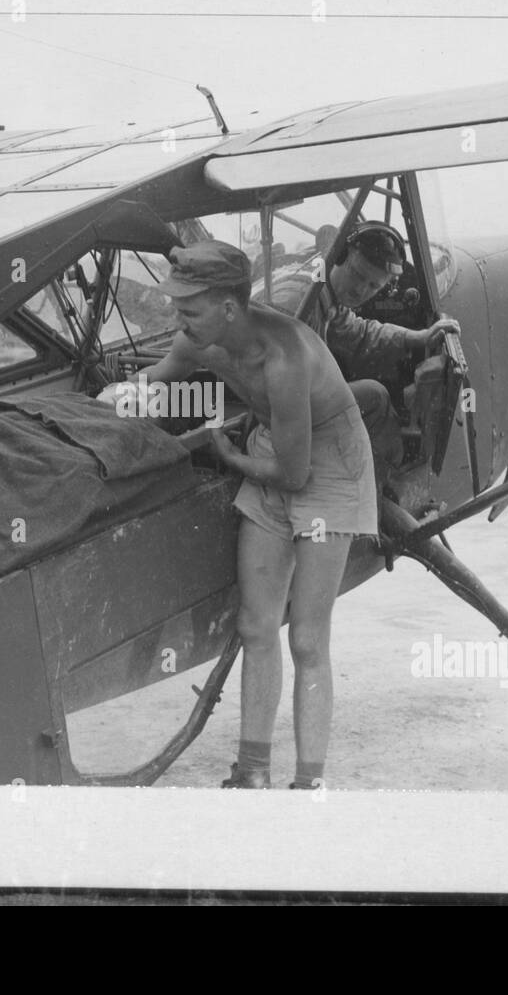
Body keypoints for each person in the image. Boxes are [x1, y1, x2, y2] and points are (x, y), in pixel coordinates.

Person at [144, 240, 377, 790]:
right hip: (276, 449)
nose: (179, 319)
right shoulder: (201, 340)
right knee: (256, 624)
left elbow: (296, 477)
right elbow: (150, 385)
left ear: (229, 308)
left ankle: (309, 783)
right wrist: (103, 403)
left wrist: (227, 456)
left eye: (190, 309)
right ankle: (251, 772)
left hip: (330, 465)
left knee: (308, 639)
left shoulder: (285, 357)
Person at [274, 222, 460, 473]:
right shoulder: (298, 302)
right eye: (357, 275)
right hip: (276, 417)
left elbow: (359, 332)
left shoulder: (325, 296)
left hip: (289, 407)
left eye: (374, 286)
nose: (361, 290)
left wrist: (418, 337)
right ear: (338, 256)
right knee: (374, 395)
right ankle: (383, 484)